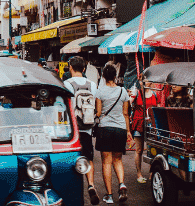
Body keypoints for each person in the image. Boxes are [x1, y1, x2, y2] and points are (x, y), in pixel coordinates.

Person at [63, 56, 100, 205]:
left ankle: (72, 187)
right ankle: (91, 184)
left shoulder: (66, 83)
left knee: (72, 159)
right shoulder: (92, 84)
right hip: (87, 127)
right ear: (84, 69)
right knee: (88, 158)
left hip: (71, 129)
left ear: (70, 68)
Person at [95, 64, 132, 204]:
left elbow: (98, 113)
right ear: (115, 76)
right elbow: (126, 114)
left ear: (103, 76)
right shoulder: (123, 91)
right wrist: (128, 132)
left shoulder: (100, 91)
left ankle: (109, 195)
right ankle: (122, 184)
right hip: (120, 129)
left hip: (105, 129)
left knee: (106, 162)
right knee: (118, 160)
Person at [129, 78, 158, 183]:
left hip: (151, 125)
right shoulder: (137, 93)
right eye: (142, 80)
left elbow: (158, 109)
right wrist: (130, 96)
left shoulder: (154, 94)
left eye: (146, 80)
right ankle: (139, 174)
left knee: (152, 150)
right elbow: (128, 103)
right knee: (139, 150)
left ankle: (152, 173)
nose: (144, 82)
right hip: (138, 124)